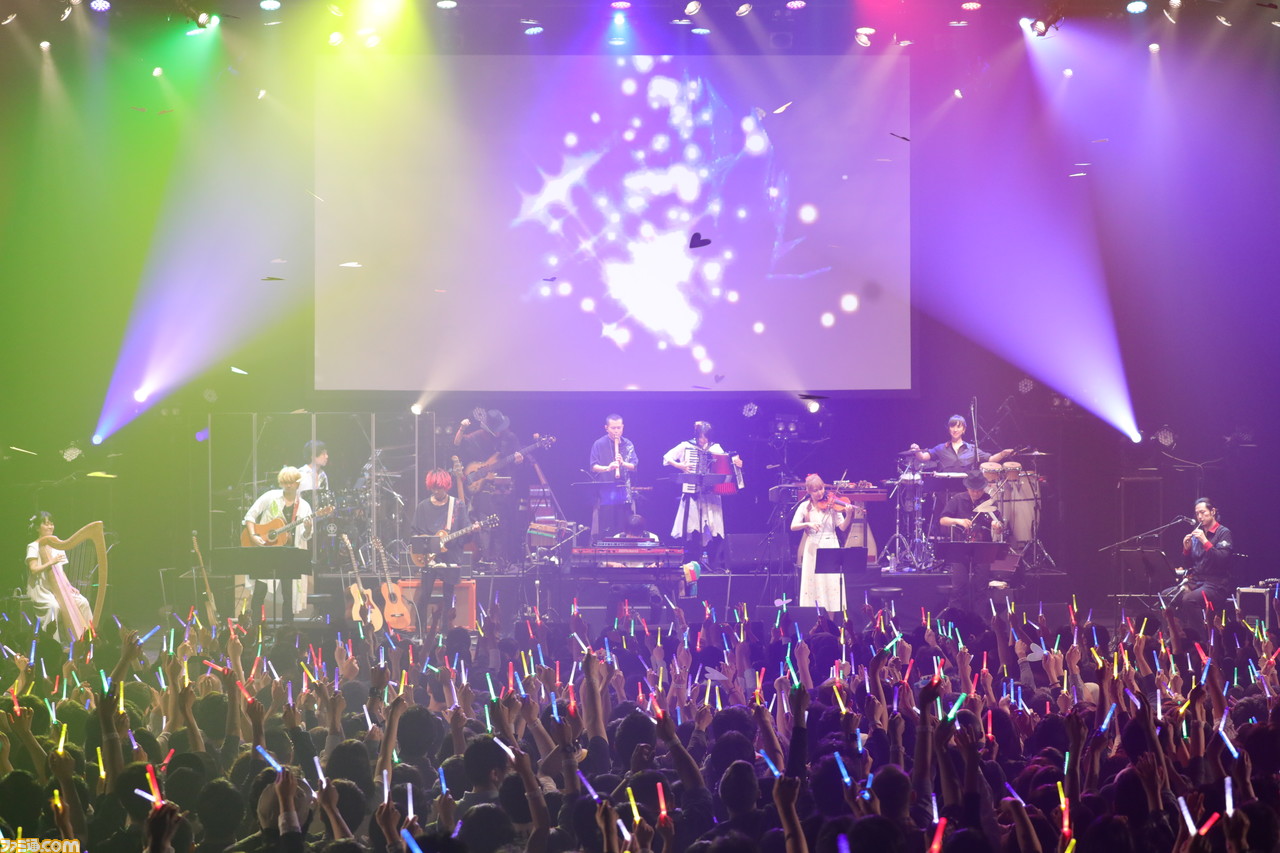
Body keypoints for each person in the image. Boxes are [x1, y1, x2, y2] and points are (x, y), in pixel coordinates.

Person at [663, 420, 742, 572]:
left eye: (706, 437)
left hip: (711, 495)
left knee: (713, 528)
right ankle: (692, 563)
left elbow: (727, 462)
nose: (703, 440)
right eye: (700, 436)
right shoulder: (686, 446)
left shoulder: (715, 448)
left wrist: (737, 462)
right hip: (692, 494)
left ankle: (714, 564)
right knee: (693, 529)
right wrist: (680, 466)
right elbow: (666, 457)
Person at [454, 409, 524, 567]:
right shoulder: (478, 436)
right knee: (484, 525)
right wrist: (462, 428)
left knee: (503, 526)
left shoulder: (510, 438)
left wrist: (519, 461)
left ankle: (501, 561)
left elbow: (517, 462)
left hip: (503, 490)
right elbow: (458, 444)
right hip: (483, 490)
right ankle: (484, 559)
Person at [242, 467, 314, 616]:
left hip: (289, 555)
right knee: (259, 591)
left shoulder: (304, 506)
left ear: (297, 483)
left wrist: (308, 529)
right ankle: (256, 626)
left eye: (291, 482)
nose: (288, 486)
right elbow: (250, 515)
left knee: (288, 593)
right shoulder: (270, 497)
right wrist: (254, 535)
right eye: (285, 482)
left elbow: (305, 536)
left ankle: (287, 628)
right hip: (267, 551)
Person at [937, 472, 1004, 612]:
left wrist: (997, 526)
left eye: (979, 490)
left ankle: (980, 619)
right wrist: (958, 521)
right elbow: (943, 520)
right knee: (959, 586)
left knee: (981, 587)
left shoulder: (988, 500)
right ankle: (956, 617)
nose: (976, 493)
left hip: (983, 547)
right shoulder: (958, 499)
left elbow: (998, 525)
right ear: (967, 488)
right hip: (961, 547)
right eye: (973, 490)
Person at [412, 469, 473, 617]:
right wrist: (425, 543)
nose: (436, 491)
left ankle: (446, 628)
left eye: (439, 488)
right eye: (433, 488)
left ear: (446, 486)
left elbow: (466, 533)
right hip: (429, 558)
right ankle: (420, 629)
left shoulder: (457, 505)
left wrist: (472, 530)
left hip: (450, 557)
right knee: (425, 595)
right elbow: (414, 532)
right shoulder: (423, 506)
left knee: (448, 597)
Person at [25, 511, 93, 643]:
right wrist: (51, 562)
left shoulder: (57, 545)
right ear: (37, 528)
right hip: (41, 589)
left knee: (83, 602)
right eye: (46, 524)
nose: (50, 527)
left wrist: (68, 586)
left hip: (59, 586)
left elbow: (61, 571)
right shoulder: (33, 546)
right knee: (54, 607)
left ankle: (90, 638)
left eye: (51, 524)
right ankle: (54, 644)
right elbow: (33, 570)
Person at [1161, 497, 1233, 616]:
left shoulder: (1223, 532)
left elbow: (1222, 559)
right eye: (1197, 513)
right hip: (1196, 582)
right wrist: (1186, 550)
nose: (1199, 516)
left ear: (1213, 511)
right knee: (1166, 595)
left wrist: (1205, 541)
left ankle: (1198, 629)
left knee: (1189, 599)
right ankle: (1178, 627)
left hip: (1216, 584)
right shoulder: (1196, 535)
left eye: (1203, 512)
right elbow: (1189, 565)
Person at [791, 475, 850, 610]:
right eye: (815, 490)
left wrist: (849, 515)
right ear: (809, 491)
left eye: (821, 488)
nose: (820, 493)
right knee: (814, 583)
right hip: (813, 547)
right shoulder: (804, 506)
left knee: (831, 583)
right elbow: (793, 526)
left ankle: (830, 620)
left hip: (830, 545)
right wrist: (808, 524)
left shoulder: (832, 505)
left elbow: (842, 527)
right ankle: (816, 619)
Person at [589, 414, 638, 539]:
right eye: (613, 428)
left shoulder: (628, 444)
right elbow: (593, 466)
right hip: (606, 494)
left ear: (623, 427)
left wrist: (623, 463)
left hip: (624, 493)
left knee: (625, 527)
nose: (616, 431)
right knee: (607, 527)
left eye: (619, 428)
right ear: (606, 428)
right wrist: (608, 468)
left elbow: (634, 466)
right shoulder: (599, 444)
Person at [910, 414, 1014, 472]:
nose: (955, 430)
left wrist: (1002, 454)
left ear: (964, 430)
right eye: (952, 426)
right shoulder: (940, 448)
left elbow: (990, 459)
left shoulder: (972, 449)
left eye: (958, 427)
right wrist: (917, 450)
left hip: (966, 491)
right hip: (944, 491)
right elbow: (922, 457)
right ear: (949, 429)